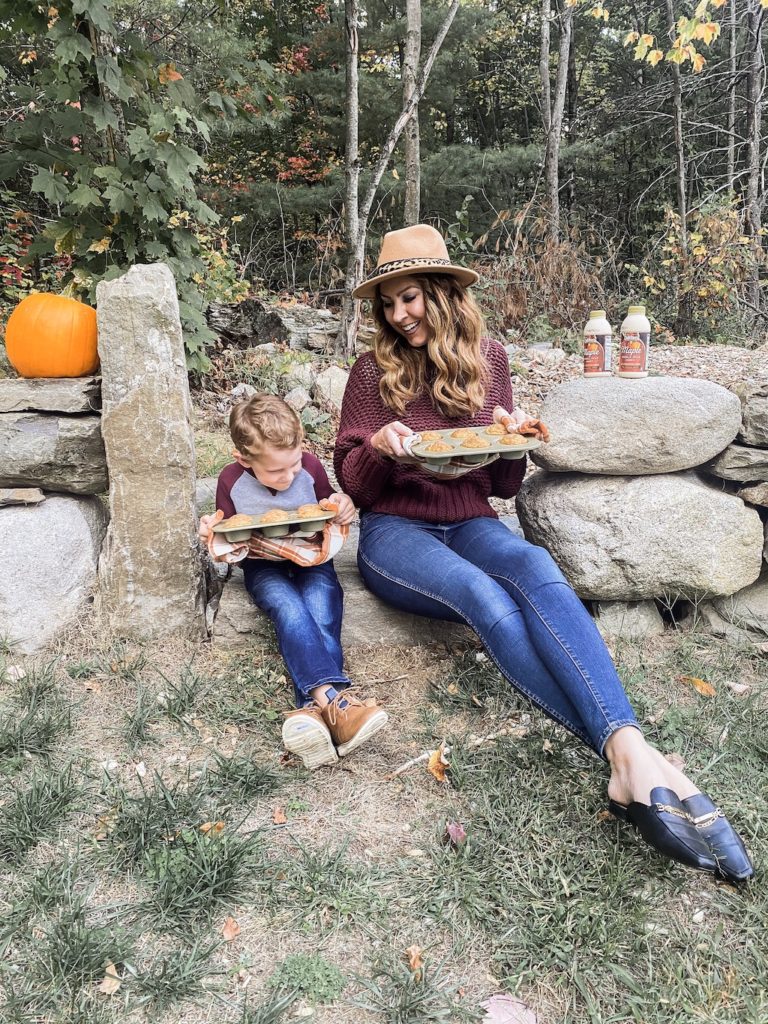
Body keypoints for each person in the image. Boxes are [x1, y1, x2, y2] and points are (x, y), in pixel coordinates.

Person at [333, 223, 753, 882]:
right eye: (388, 302)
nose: (398, 314)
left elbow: (499, 485)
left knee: (533, 567)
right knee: (482, 595)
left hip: (471, 518)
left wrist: (511, 441)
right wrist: (379, 450)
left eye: (410, 297)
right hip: (395, 534)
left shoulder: (489, 360)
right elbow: (353, 483)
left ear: (442, 293)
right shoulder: (371, 372)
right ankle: (642, 763)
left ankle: (630, 757)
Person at [202, 393, 388, 769]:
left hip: (311, 556)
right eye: (276, 472)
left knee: (321, 604)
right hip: (263, 563)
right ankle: (336, 703)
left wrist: (342, 506)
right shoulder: (231, 481)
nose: (289, 477)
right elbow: (226, 531)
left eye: (294, 464)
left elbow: (326, 509)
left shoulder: (310, 468)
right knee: (288, 606)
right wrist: (214, 532)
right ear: (244, 459)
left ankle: (312, 710)